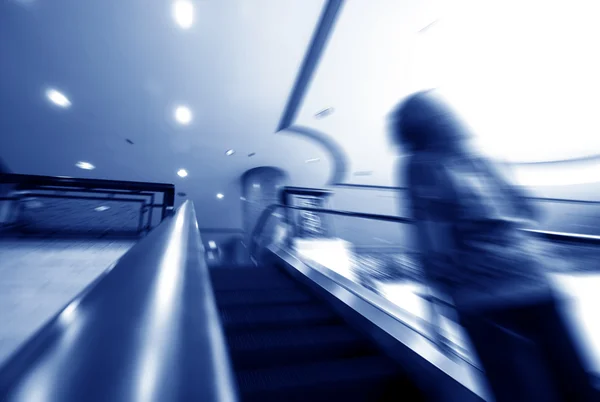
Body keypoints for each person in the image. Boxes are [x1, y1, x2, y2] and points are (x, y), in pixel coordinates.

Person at [389, 89, 595, 401]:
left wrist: (439, 290)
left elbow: (433, 235)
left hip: (481, 291)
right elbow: (529, 210)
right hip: (532, 275)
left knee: (516, 386)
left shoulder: (420, 165)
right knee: (570, 376)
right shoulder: (486, 159)